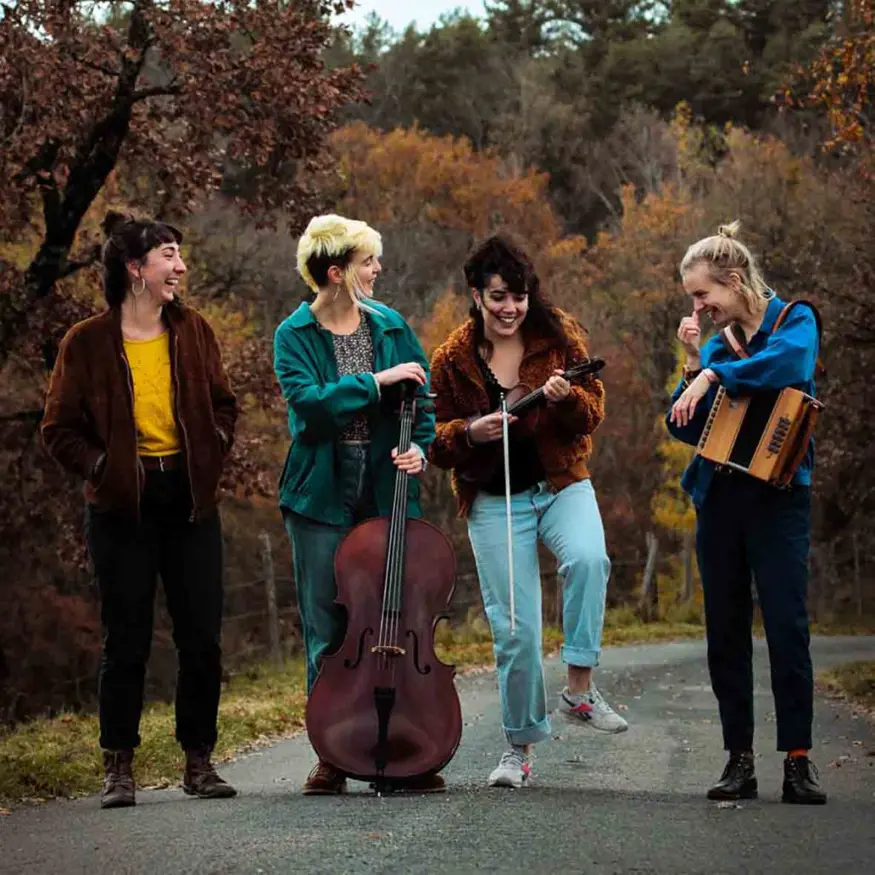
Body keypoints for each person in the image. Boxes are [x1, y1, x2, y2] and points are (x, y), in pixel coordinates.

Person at [42, 212, 239, 809]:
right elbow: (58, 429)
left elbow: (224, 404)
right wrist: (103, 467)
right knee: (125, 639)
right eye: (168, 255)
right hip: (121, 507)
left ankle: (199, 762)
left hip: (190, 501)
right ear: (135, 268)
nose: (181, 267)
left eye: (178, 255)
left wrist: (215, 445)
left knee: (201, 637)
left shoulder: (194, 330)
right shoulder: (86, 342)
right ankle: (118, 768)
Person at [428, 234, 627, 790]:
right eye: (498, 297)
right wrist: (470, 431)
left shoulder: (558, 338)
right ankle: (518, 749)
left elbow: (592, 413)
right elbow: (434, 439)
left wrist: (566, 400)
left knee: (589, 559)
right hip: (494, 500)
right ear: (476, 295)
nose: (510, 308)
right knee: (515, 628)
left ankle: (579, 691)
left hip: (561, 484)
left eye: (518, 296)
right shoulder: (452, 359)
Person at [274, 214, 441, 795]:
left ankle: (397, 746)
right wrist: (375, 382)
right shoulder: (294, 334)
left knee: (390, 619)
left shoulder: (390, 325)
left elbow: (422, 400)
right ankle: (332, 754)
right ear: (337, 272)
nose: (377, 270)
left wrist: (420, 448)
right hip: (320, 494)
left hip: (384, 486)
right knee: (328, 629)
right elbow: (310, 409)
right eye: (368, 261)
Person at [666, 221, 826, 805]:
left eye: (703, 294)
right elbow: (684, 428)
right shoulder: (715, 347)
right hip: (721, 499)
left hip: (779, 499)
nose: (699, 308)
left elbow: (789, 367)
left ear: (734, 281)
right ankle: (739, 759)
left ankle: (798, 761)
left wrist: (714, 373)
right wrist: (693, 366)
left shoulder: (795, 322)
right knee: (726, 632)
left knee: (786, 626)